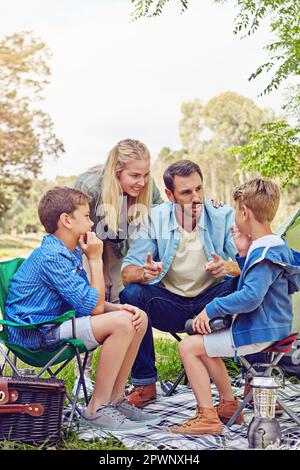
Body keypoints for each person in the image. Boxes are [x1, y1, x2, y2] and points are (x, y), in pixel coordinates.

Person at [5, 187, 160, 431]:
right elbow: (94, 308)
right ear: (66, 220)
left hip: (58, 323)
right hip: (35, 334)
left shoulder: (71, 251)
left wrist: (122, 307)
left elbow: (86, 299)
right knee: (121, 323)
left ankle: (115, 400)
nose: (91, 223)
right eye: (87, 216)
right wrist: (96, 260)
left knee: (136, 317)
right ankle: (96, 408)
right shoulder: (53, 256)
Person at [168, 178, 300, 435]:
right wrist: (242, 252)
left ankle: (207, 417)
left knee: (188, 346)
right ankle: (228, 406)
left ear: (244, 212)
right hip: (273, 328)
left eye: (235, 210)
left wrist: (212, 308)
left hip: (260, 332)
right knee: (204, 344)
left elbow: (251, 296)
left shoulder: (264, 253)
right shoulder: (274, 246)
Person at [120, 159, 243, 408]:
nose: (196, 198)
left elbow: (250, 263)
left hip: (211, 305)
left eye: (199, 189)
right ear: (169, 195)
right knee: (131, 294)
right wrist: (144, 273)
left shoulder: (222, 215)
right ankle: (145, 383)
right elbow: (127, 272)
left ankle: (255, 380)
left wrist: (227, 267)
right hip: (170, 306)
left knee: (251, 283)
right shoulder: (155, 219)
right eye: (186, 192)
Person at [72, 139, 163, 395]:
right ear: (117, 172)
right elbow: (75, 230)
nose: (141, 182)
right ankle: (84, 377)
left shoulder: (149, 188)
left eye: (145, 174)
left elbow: (160, 221)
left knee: (121, 302)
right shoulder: (89, 187)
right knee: (94, 302)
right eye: (134, 175)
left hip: (118, 247)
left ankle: (118, 381)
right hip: (87, 244)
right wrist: (97, 269)